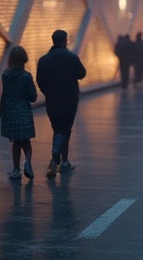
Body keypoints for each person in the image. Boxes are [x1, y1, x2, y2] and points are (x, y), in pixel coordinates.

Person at [36, 29, 86, 177]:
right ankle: (58, 156)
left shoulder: (44, 60)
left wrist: (48, 92)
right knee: (65, 129)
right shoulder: (71, 58)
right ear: (65, 41)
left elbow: (39, 80)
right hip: (70, 99)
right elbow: (82, 74)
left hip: (52, 100)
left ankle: (61, 161)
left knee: (58, 129)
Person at [0, 45, 38, 181]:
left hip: (9, 110)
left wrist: (2, 112)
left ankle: (16, 170)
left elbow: (5, 95)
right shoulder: (26, 76)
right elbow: (33, 97)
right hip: (23, 110)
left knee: (16, 142)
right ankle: (27, 161)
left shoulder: (5, 75)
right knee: (25, 142)